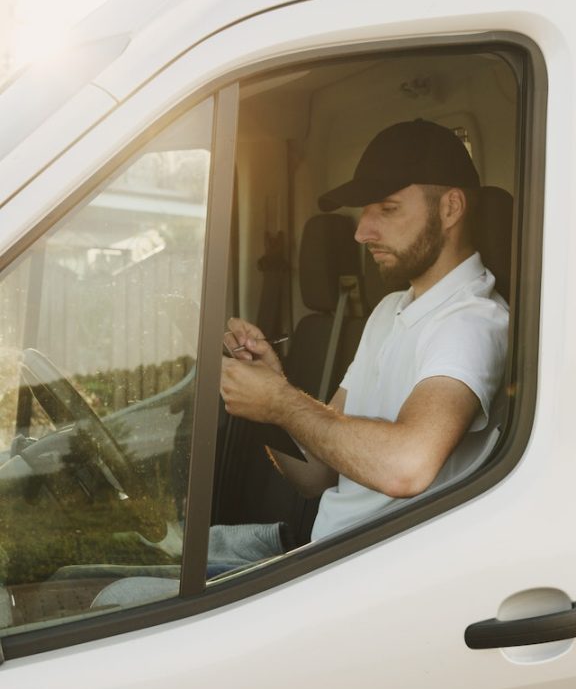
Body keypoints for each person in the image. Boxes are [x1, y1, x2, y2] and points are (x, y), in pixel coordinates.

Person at [216, 119, 508, 570]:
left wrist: (280, 403)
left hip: (367, 573)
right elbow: (315, 474)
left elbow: (408, 464)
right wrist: (266, 393)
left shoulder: (471, 322)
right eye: (365, 211)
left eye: (387, 209)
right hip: (321, 551)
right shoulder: (391, 309)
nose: (361, 232)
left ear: (451, 209)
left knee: (119, 601)